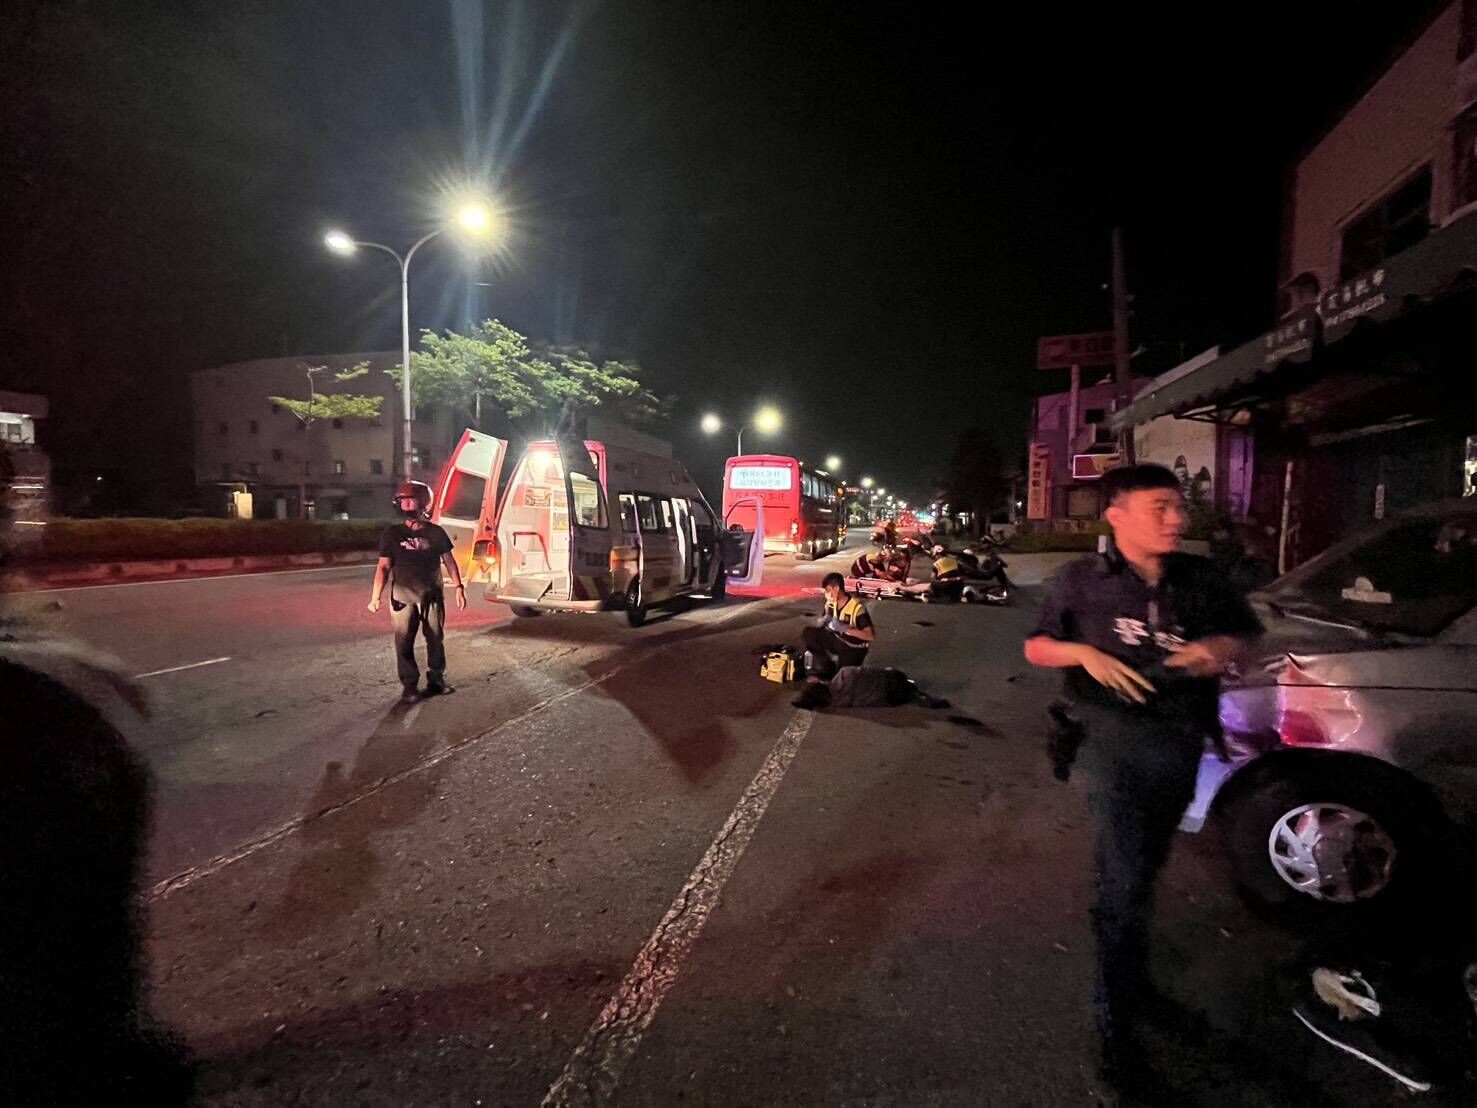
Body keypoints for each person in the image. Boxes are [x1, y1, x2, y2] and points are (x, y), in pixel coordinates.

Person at [1022, 463, 1262, 1088]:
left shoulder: (1201, 579)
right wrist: (1085, 653)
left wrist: (1219, 651)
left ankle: (1136, 989)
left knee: (1145, 872)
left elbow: (1244, 634)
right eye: (1159, 506)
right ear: (1117, 513)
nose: (1176, 519)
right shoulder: (1081, 581)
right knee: (1123, 886)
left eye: (1178, 507)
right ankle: (1116, 1038)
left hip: (1179, 747)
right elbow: (1038, 645)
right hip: (1112, 748)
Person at [368, 480, 466, 703]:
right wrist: (376, 597)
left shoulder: (436, 533)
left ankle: (436, 680)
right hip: (402, 598)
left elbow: (449, 561)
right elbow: (383, 566)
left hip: (432, 596)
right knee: (404, 642)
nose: (406, 505)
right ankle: (409, 685)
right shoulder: (392, 534)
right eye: (402, 501)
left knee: (435, 638)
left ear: (423, 504)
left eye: (410, 500)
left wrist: (459, 587)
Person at [802, 572, 875, 678]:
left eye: (827, 590)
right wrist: (823, 621)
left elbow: (869, 636)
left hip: (853, 647)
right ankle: (825, 666)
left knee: (842, 679)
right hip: (837, 640)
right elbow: (825, 623)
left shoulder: (857, 608)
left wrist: (844, 628)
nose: (826, 594)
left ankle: (838, 672)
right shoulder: (831, 604)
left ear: (836, 588)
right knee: (809, 633)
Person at [791, 665, 949, 710]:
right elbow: (875, 673)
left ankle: (914, 693)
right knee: (892, 674)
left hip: (891, 699)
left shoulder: (838, 703)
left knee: (902, 688)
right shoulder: (845, 673)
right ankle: (914, 691)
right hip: (894, 683)